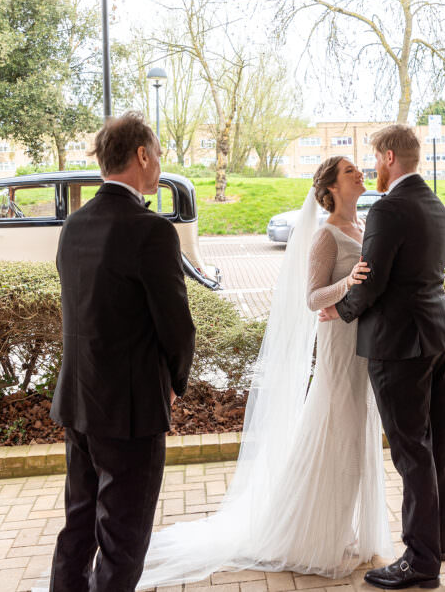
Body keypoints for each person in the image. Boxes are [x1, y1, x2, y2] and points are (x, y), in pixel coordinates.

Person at [134, 156, 391, 589]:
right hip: (337, 352)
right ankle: (314, 537)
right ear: (330, 187)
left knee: (357, 436)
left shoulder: (362, 228)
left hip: (363, 349)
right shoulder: (324, 236)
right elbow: (312, 298)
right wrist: (347, 285)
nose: (360, 173)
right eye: (350, 171)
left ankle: (344, 529)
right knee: (335, 434)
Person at [46, 112, 196, 592]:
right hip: (130, 410)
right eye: (158, 153)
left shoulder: (75, 225)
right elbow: (177, 327)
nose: (159, 165)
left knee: (79, 524)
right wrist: (175, 383)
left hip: (79, 399)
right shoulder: (150, 230)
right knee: (123, 538)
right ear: (141, 155)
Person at [321, 124, 445, 590]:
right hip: (439, 335)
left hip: (399, 345)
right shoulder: (434, 205)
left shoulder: (389, 209)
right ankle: (436, 542)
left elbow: (371, 281)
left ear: (388, 157)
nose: (373, 166)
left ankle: (420, 561)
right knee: (436, 443)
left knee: (410, 450)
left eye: (376, 157)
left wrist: (338, 310)